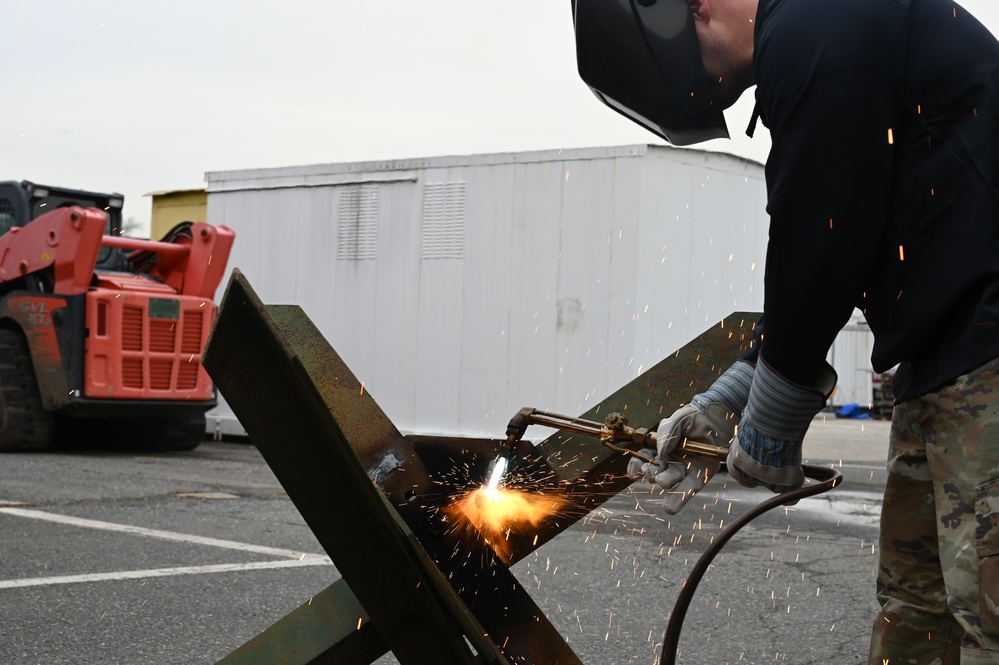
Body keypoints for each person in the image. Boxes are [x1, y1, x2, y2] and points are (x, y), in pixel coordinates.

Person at [572, 0, 999, 662]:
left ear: (699, 11)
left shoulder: (820, 16)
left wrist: (772, 415)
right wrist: (727, 398)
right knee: (916, 615)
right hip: (944, 365)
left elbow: (821, 227)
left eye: (707, 79)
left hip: (988, 360)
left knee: (988, 622)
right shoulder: (824, 29)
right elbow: (835, 226)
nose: (725, 90)